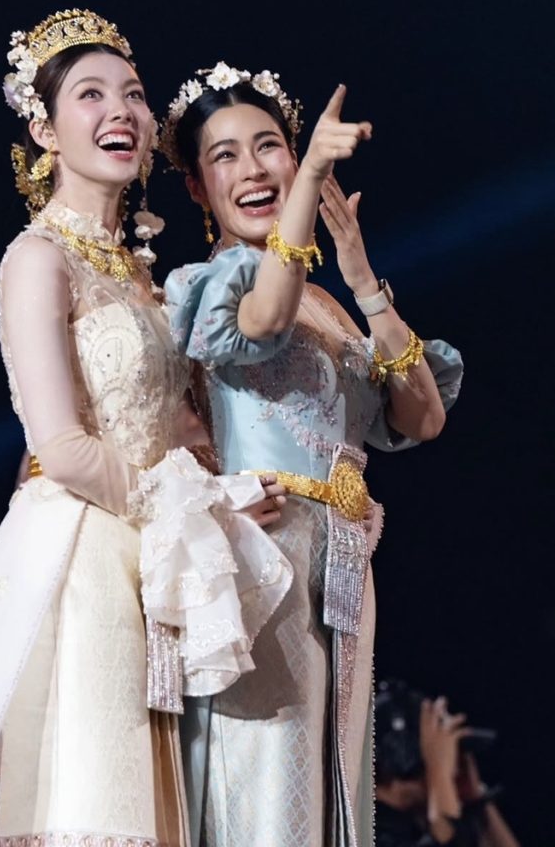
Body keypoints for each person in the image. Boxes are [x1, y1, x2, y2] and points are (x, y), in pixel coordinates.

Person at [0, 14, 291, 847]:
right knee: (97, 808)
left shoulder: (143, 275)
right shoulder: (36, 258)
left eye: (132, 95)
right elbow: (61, 449)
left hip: (159, 563)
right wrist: (203, 509)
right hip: (85, 556)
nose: (121, 112)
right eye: (90, 95)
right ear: (43, 129)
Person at [161, 63, 464, 846]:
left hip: (341, 570)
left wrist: (361, 279)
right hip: (263, 560)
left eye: (269, 147)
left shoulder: (325, 303)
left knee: (334, 797)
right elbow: (263, 322)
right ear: (196, 188)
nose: (253, 169)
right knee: (267, 793)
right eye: (224, 155)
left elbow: (421, 418)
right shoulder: (216, 281)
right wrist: (309, 187)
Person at [375, 679, 520, 847]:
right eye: (443, 755)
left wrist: (476, 801)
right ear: (403, 759)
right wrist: (440, 774)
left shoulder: (413, 826)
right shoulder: (369, 831)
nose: (455, 767)